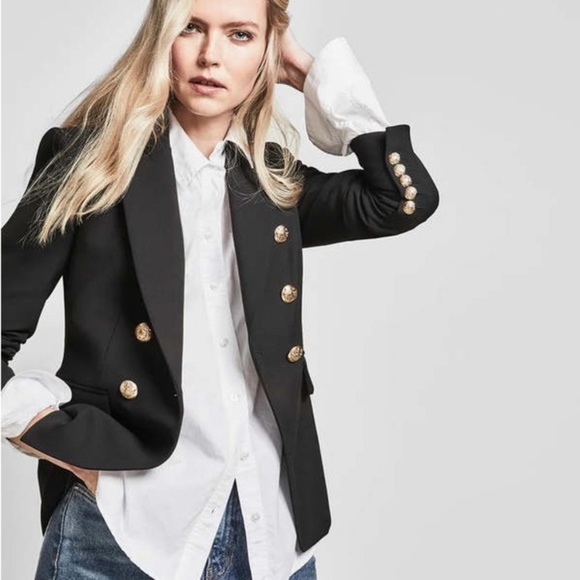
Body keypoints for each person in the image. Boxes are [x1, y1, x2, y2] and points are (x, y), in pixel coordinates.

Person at [1, 0, 439, 578]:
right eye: (191, 28)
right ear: (162, 37)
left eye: (240, 35)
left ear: (267, 51)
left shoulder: (273, 181)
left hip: (268, 531)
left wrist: (311, 74)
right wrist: (66, 445)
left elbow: (400, 201)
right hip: (126, 531)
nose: (210, 56)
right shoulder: (89, 163)